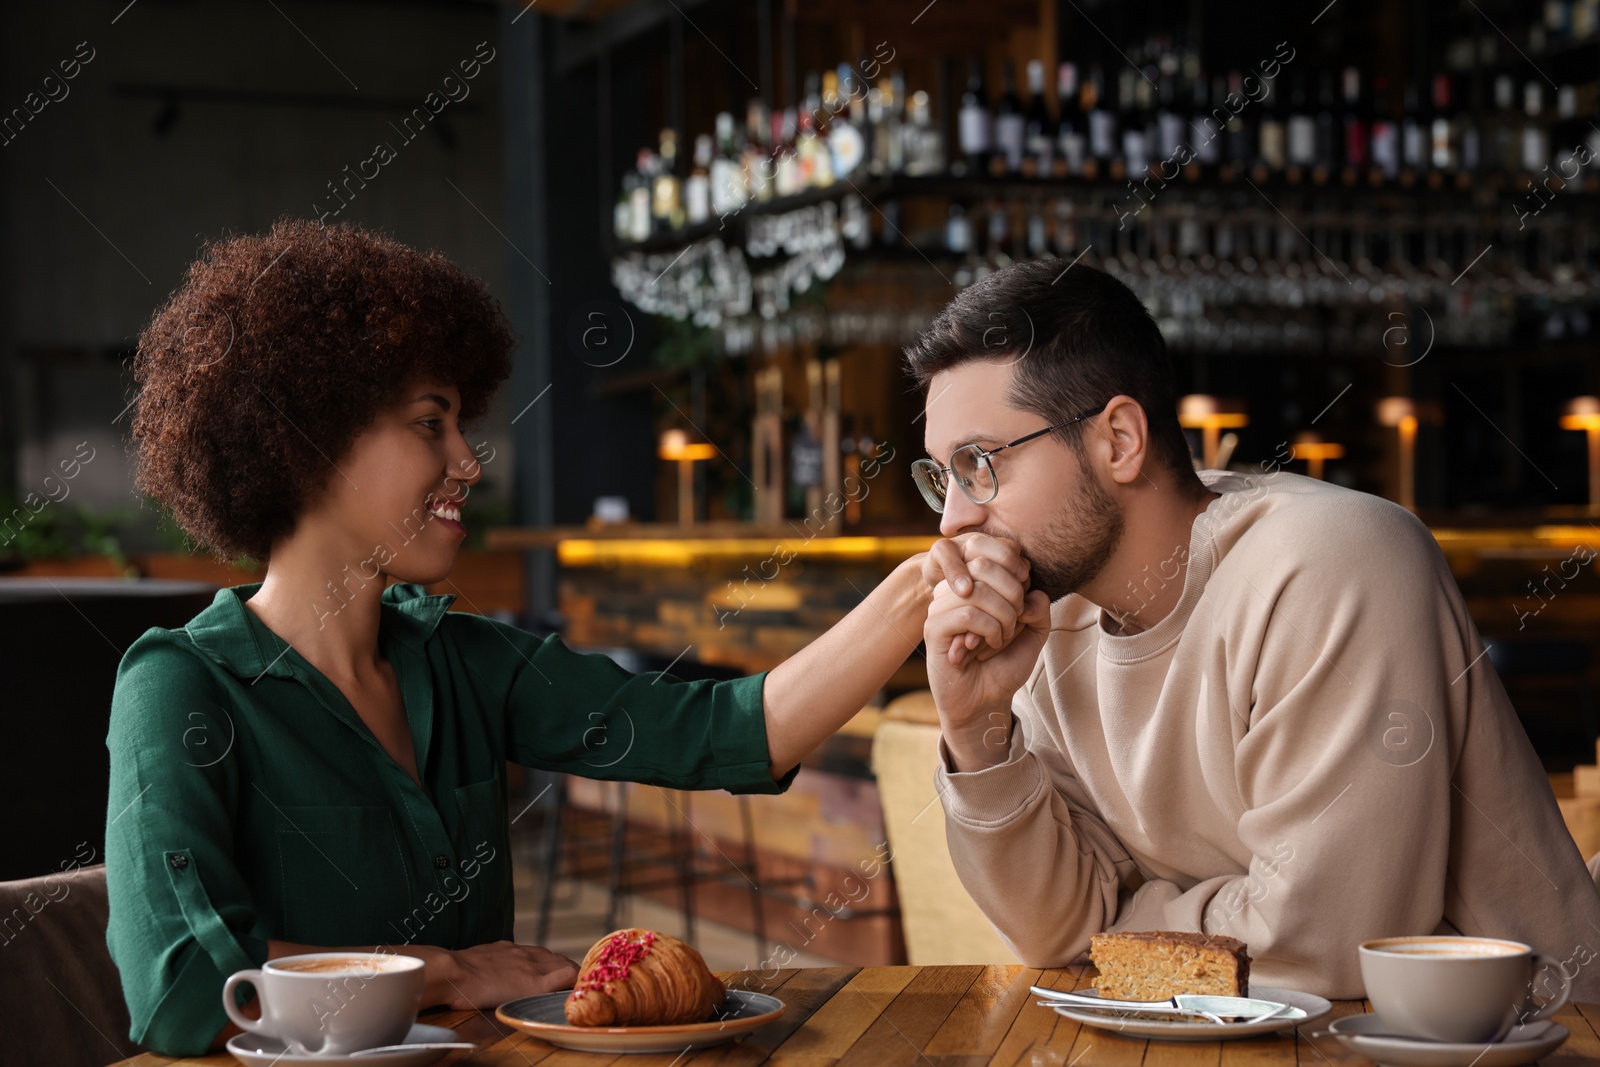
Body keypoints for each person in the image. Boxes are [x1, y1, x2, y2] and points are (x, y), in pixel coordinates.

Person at [107, 218, 1023, 1056]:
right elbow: (185, 987)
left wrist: (917, 587)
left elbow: (732, 730)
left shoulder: (460, 660)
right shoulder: (181, 687)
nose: (468, 459)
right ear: (306, 440)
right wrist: (451, 969)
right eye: (431, 424)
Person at [904, 257, 1600, 1002]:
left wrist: (1120, 930)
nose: (952, 521)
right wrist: (977, 732)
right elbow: (1053, 933)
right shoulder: (1054, 613)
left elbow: (1324, 947)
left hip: (1503, 1039)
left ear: (1118, 440)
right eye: (944, 476)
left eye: (981, 464)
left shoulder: (1331, 560)